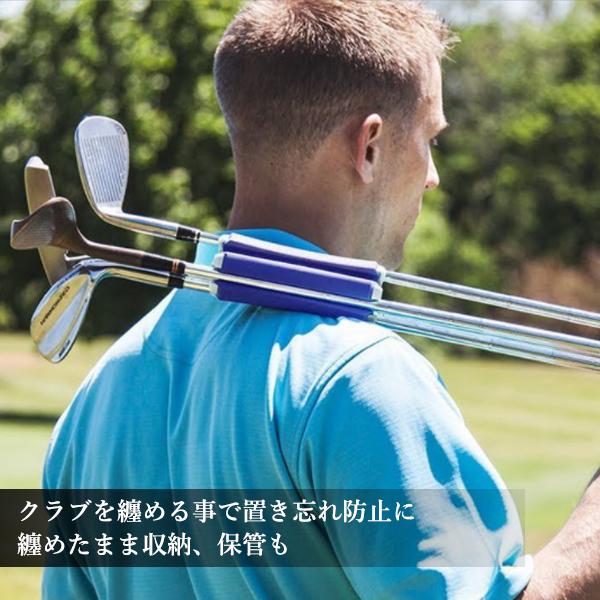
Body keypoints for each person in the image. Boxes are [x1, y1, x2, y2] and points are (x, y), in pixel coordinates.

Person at [42, 1, 599, 598]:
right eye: (429, 138)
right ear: (370, 145)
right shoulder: (361, 377)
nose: (433, 175)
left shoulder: (95, 399)